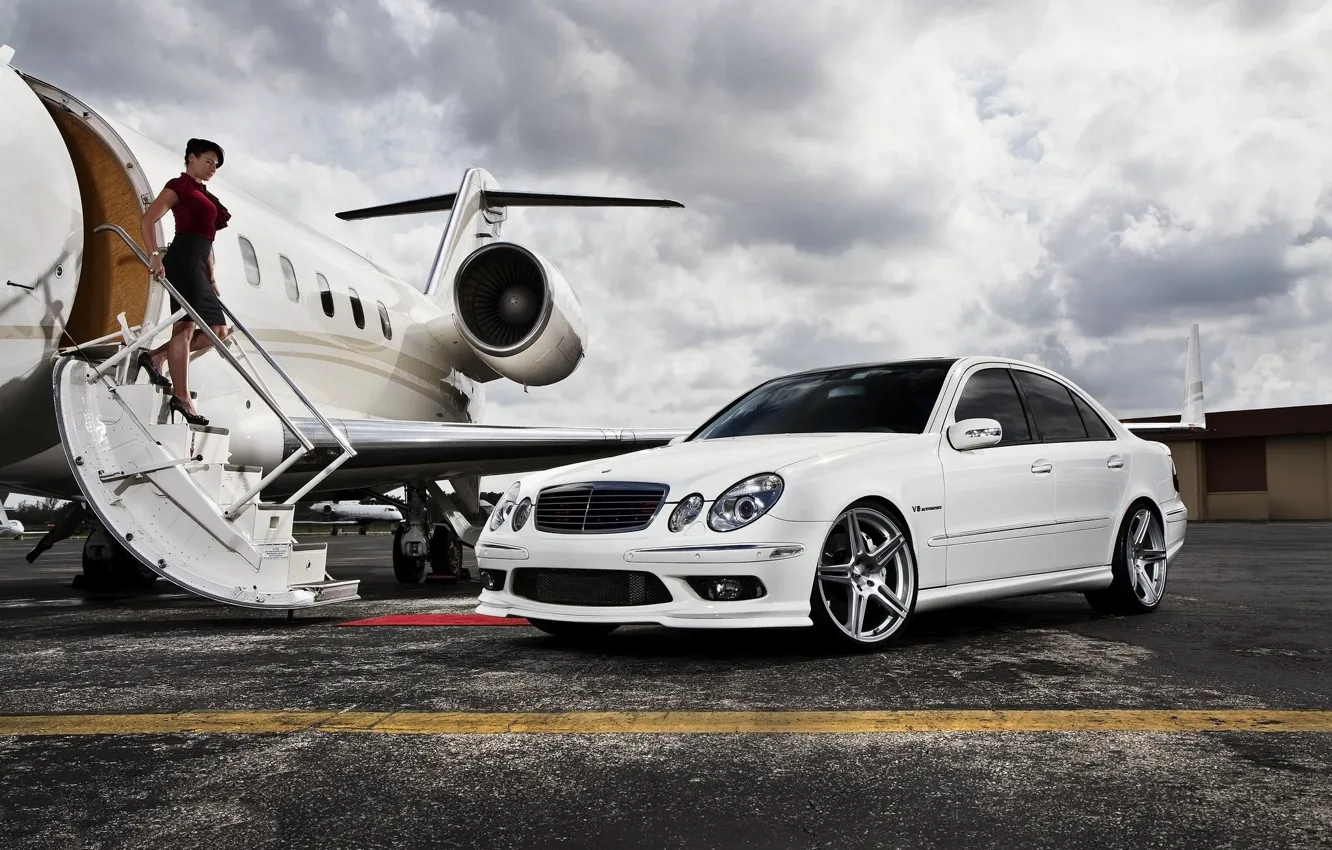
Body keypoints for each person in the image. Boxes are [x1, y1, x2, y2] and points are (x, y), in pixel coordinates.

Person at [136, 138, 233, 426]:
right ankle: (181, 396)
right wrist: (154, 256)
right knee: (194, 328)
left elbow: (207, 240)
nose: (212, 167)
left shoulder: (203, 194)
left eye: (216, 164)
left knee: (217, 332)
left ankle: (156, 357)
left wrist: (212, 276)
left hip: (198, 264)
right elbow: (148, 219)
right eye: (208, 161)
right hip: (182, 260)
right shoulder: (179, 186)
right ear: (191, 158)